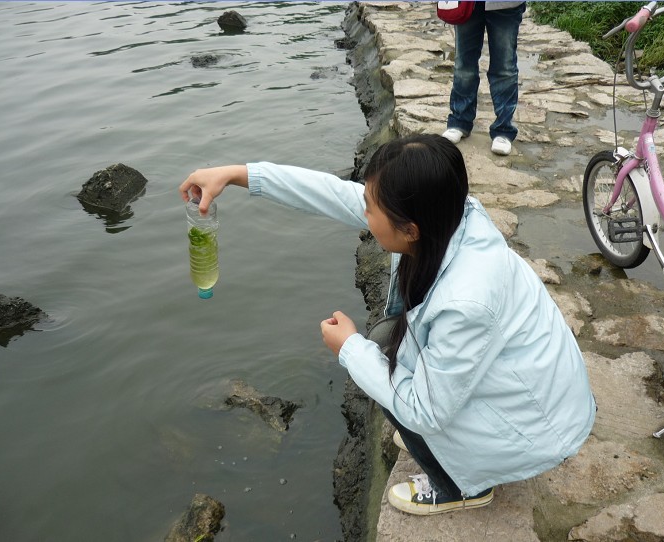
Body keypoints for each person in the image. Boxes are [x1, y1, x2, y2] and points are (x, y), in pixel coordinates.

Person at [179, 134, 595, 516]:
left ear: (409, 229)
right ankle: (455, 448)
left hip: (536, 426)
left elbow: (425, 411)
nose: (362, 211)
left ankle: (460, 487)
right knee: (386, 347)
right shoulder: (446, 216)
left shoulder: (467, 302)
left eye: (371, 208)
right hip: (521, 383)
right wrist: (236, 175)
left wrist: (349, 350)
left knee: (379, 359)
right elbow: (332, 194)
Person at [442, 1, 526, 157]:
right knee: (463, 65)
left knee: (504, 68)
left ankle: (503, 129)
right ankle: (459, 120)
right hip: (467, 4)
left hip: (505, 5)